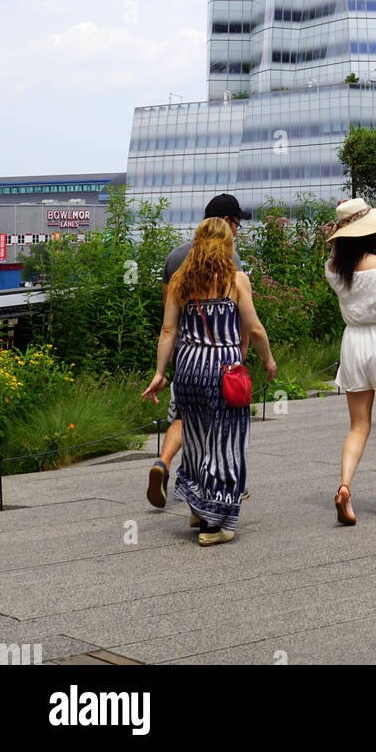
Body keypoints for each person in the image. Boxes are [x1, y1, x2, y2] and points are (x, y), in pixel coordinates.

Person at [142, 218, 276, 544]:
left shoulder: (180, 281)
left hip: (189, 367)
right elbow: (254, 329)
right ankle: (215, 525)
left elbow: (168, 331)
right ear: (227, 244)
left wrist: (160, 373)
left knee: (196, 439)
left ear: (197, 243)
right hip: (223, 369)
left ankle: (199, 508)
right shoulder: (236, 280)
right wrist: (268, 360)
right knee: (226, 443)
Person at [146, 193, 249, 510]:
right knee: (219, 427)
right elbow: (244, 320)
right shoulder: (231, 262)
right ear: (227, 222)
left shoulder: (175, 258)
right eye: (237, 224)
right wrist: (242, 355)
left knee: (185, 416)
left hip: (185, 354)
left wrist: (164, 367)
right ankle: (217, 495)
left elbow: (169, 315)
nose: (237, 232)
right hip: (220, 356)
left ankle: (163, 462)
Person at [324, 199, 376, 524]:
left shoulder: (333, 268)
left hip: (353, 343)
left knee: (358, 425)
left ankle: (345, 485)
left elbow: (335, 260)